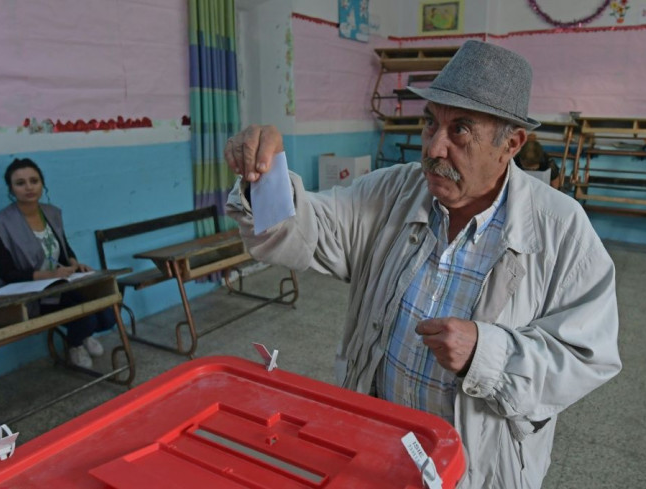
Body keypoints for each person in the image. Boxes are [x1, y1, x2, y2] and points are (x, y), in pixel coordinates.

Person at [224, 40, 621, 489]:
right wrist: (266, 177)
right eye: (429, 122)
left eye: (461, 131)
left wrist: (487, 355)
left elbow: (590, 357)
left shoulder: (560, 230)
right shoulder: (392, 192)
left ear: (510, 144)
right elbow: (311, 229)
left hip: (478, 468)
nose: (433, 148)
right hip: (375, 444)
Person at [0, 158, 114, 369]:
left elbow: (63, 247)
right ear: (10, 188)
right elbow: (8, 274)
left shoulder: (51, 212)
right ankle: (75, 343)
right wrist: (51, 275)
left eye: (34, 181)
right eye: (20, 183)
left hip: (59, 283)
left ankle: (83, 334)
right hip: (28, 294)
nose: (28, 187)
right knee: (86, 315)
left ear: (42, 184)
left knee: (107, 311)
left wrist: (75, 263)